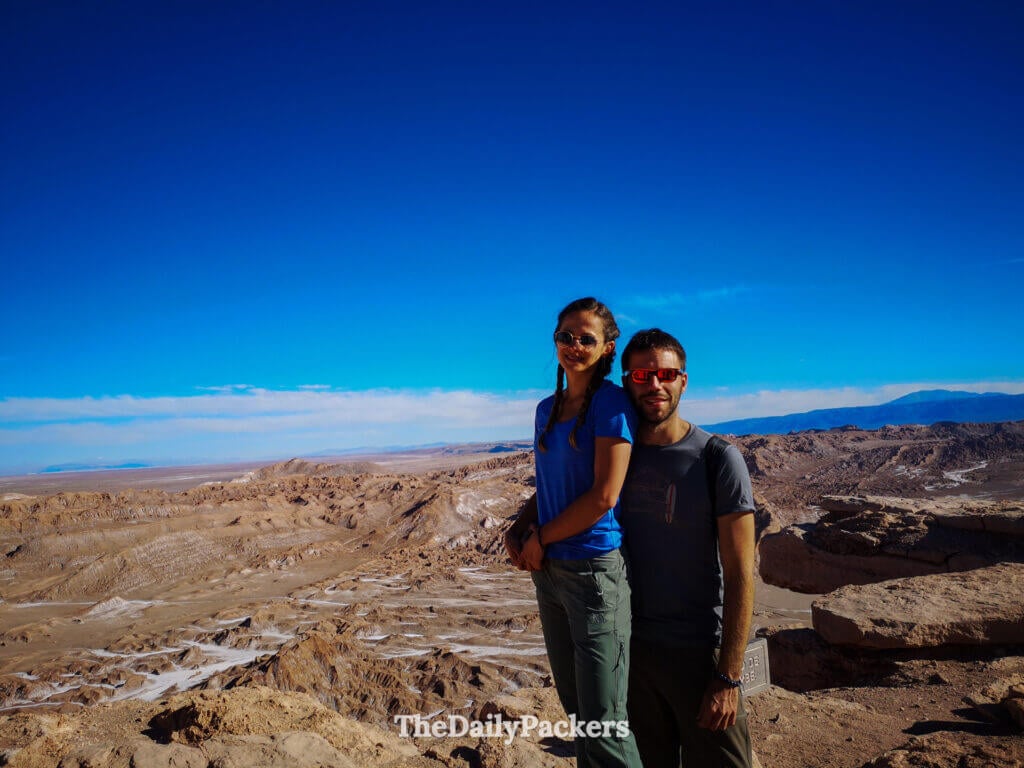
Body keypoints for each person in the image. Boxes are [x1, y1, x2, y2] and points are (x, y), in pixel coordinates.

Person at [505, 297, 642, 768]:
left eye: (587, 338)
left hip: (593, 574)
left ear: (607, 348)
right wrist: (521, 525)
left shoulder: (612, 404)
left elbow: (604, 495)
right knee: (579, 714)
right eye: (565, 336)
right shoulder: (546, 409)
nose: (574, 345)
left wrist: (540, 538)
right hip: (551, 576)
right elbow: (551, 488)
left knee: (604, 724)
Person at [618, 328, 756, 768]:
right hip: (632, 658)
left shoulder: (717, 458)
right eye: (641, 375)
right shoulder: (615, 456)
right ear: (626, 381)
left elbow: (740, 574)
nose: (654, 384)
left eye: (665, 374)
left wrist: (728, 676)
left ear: (683, 380)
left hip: (698, 656)